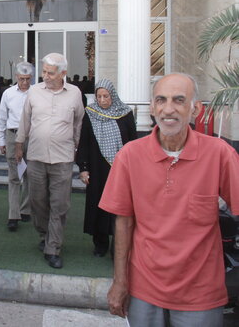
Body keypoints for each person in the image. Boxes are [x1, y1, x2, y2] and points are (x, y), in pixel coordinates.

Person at [99, 73, 238, 327]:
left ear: (195, 109)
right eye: (161, 100)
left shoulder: (220, 154)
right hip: (144, 290)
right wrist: (120, 282)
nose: (168, 109)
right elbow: (123, 222)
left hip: (201, 294)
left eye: (179, 100)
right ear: (152, 107)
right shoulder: (129, 156)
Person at [15, 53, 84, 269]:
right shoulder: (34, 92)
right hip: (35, 156)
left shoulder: (74, 93)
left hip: (63, 158)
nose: (45, 76)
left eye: (50, 73)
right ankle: (45, 234)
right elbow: (25, 120)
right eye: (43, 71)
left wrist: (76, 149)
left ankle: (53, 247)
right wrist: (18, 143)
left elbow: (79, 123)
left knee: (60, 204)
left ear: (63, 73)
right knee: (38, 202)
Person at [76, 79, 137, 257]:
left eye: (106, 96)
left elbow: (133, 142)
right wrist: (84, 168)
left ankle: (118, 244)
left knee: (119, 205)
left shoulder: (125, 113)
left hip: (120, 169)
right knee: (98, 204)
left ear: (113, 96)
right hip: (97, 168)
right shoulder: (90, 113)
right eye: (99, 96)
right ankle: (100, 243)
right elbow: (84, 142)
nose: (102, 100)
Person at [0, 61, 34, 232]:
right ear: (16, 77)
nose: (25, 82)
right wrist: (2, 141)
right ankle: (13, 215)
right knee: (14, 176)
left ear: (31, 78)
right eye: (22, 79)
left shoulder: (38, 93)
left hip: (32, 137)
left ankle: (26, 209)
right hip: (12, 136)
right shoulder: (8, 94)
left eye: (27, 79)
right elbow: (2, 118)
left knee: (30, 175)